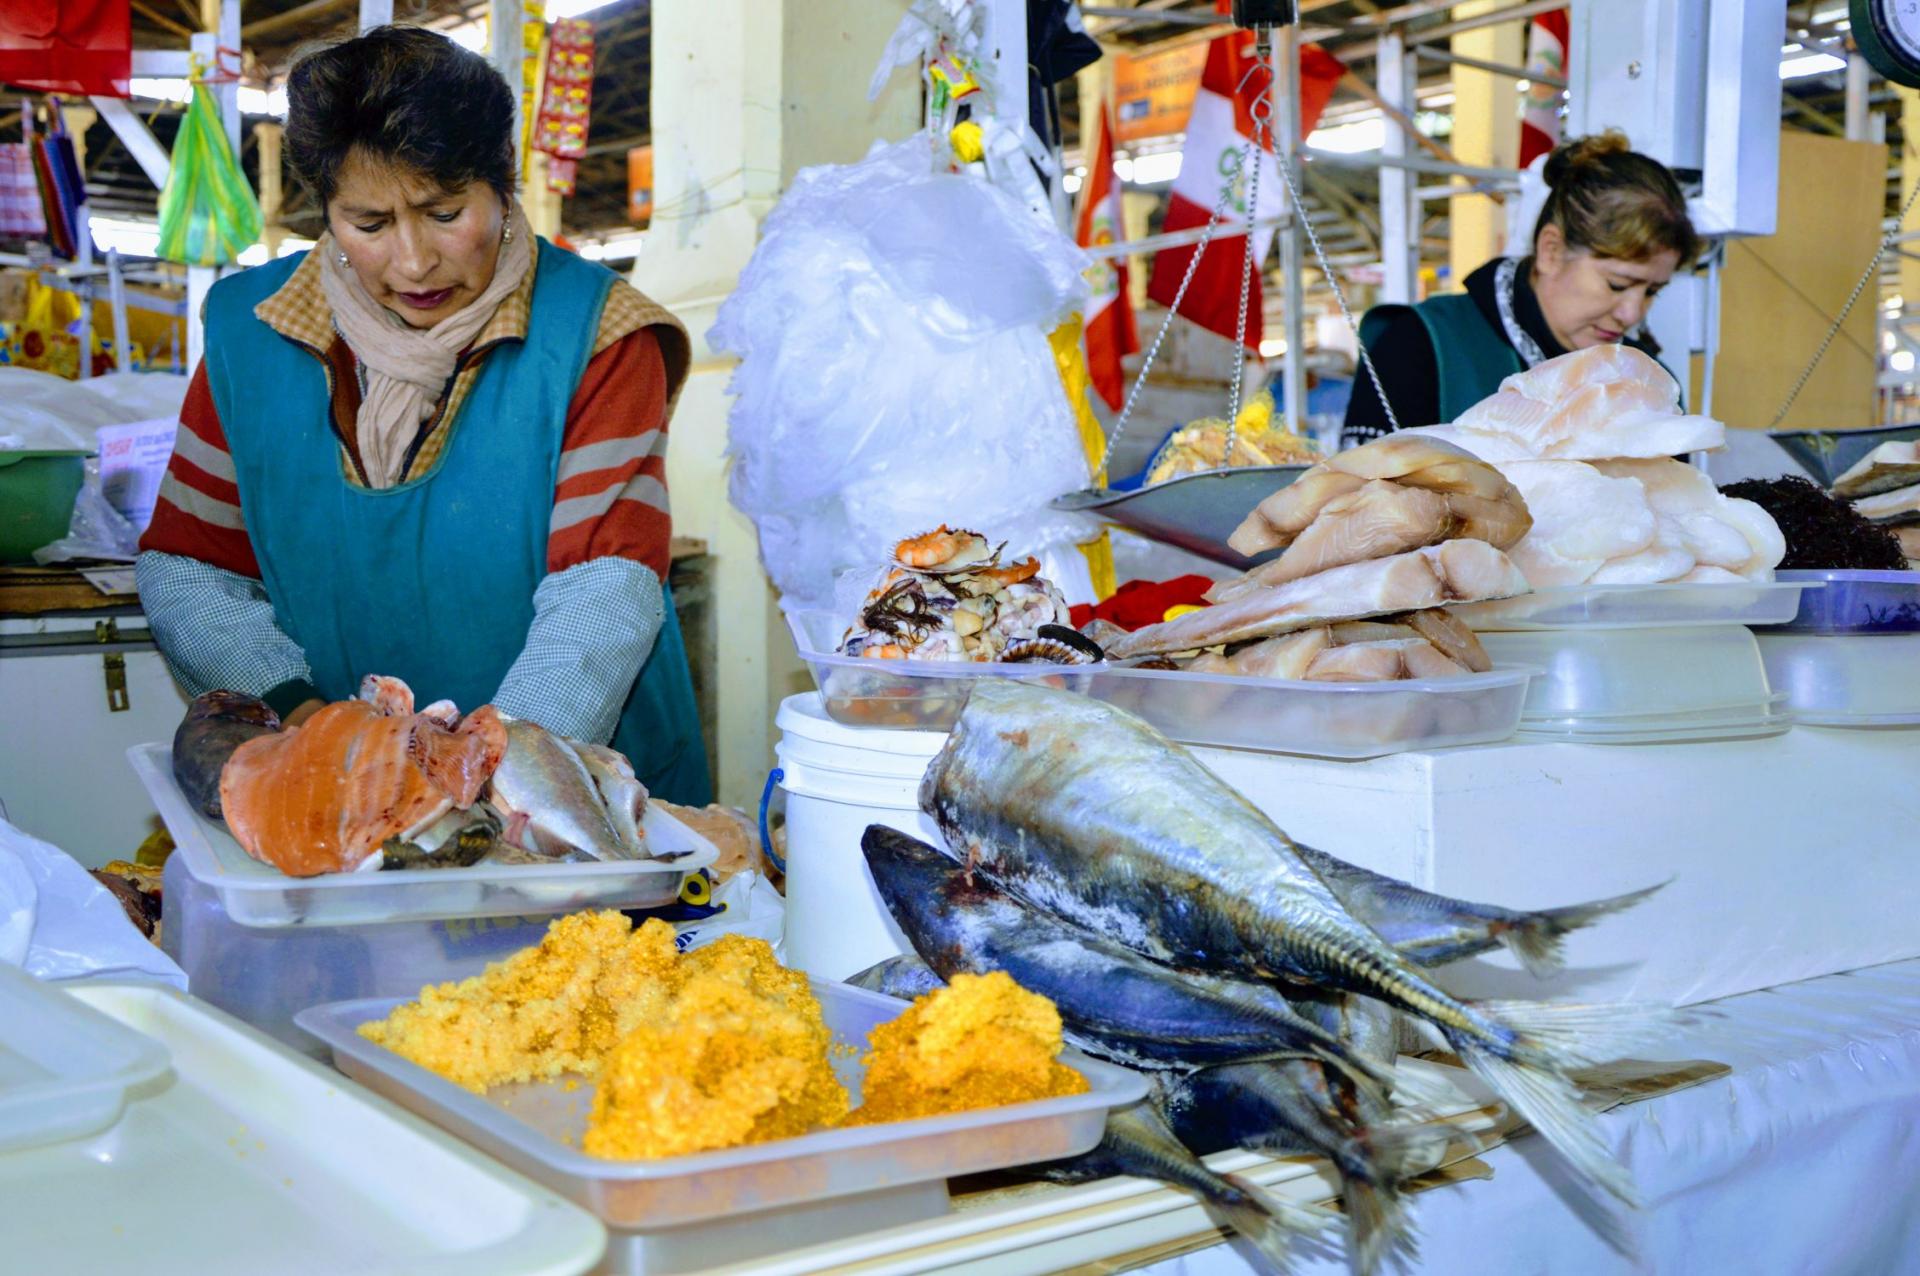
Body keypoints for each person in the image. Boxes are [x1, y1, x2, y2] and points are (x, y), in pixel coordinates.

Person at [136, 26, 712, 805]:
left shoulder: (597, 333)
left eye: (444, 213)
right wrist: (319, 729)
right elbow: (191, 567)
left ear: (502, 187)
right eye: (368, 225)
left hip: (576, 788)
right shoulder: (254, 330)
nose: (412, 261)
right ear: (326, 214)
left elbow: (602, 593)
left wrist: (480, 782)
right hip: (349, 784)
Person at [1343, 131, 1700, 444]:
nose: (1632, 313)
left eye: (1652, 291)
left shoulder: (1647, 386)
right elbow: (1360, 503)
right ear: (1551, 250)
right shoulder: (1420, 345)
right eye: (1617, 284)